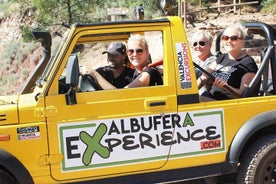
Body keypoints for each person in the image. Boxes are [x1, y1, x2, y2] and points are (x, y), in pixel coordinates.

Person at [197, 23, 258, 101]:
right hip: (210, 96)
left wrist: (226, 87)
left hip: (227, 103)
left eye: (234, 38)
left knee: (191, 101)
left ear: (242, 41)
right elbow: (204, 77)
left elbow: (243, 95)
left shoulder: (248, 63)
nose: (229, 41)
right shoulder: (222, 57)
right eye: (225, 38)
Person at [192, 30, 216, 95]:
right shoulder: (195, 62)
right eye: (195, 44)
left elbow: (205, 84)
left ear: (210, 45)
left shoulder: (214, 61)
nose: (197, 46)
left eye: (202, 43)